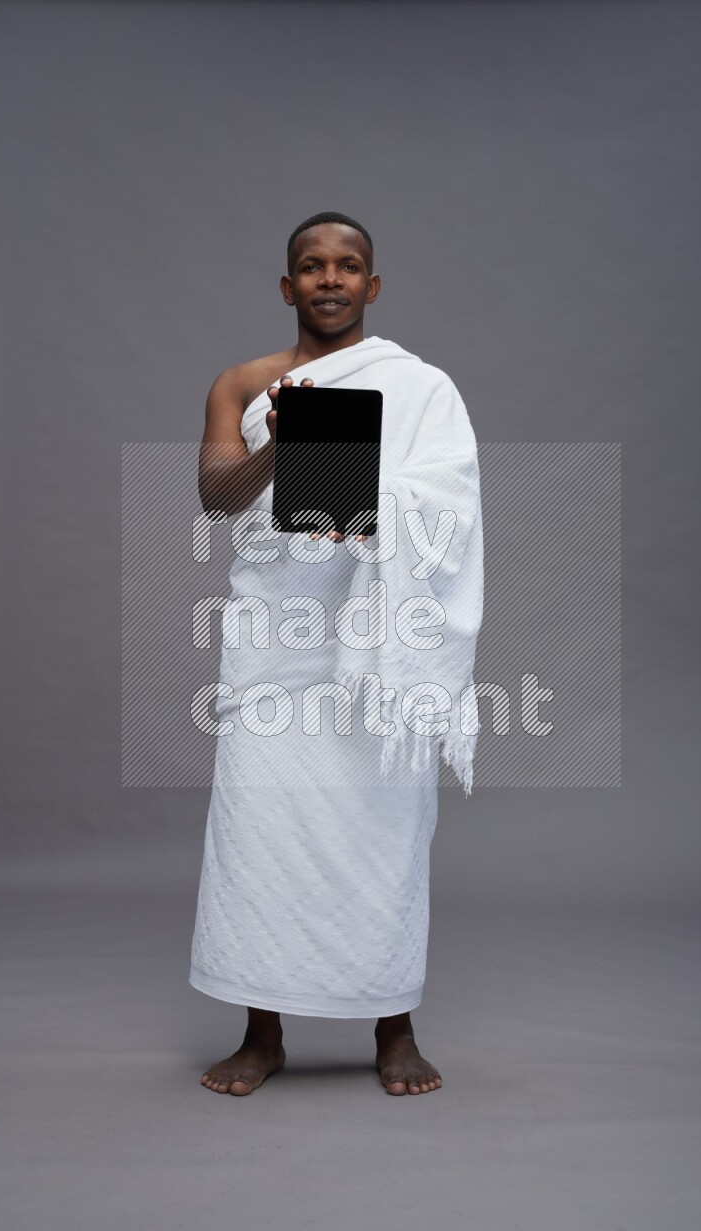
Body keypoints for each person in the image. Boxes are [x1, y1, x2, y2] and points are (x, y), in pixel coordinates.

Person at [190, 211, 483, 1096]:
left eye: (347, 266)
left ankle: (392, 1024)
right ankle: (261, 1030)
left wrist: (361, 485)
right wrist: (286, 446)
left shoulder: (420, 386)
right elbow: (214, 498)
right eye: (311, 267)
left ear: (372, 285)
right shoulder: (240, 383)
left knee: (384, 827)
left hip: (376, 650)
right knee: (262, 829)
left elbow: (450, 502)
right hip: (278, 637)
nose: (329, 279)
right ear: (287, 286)